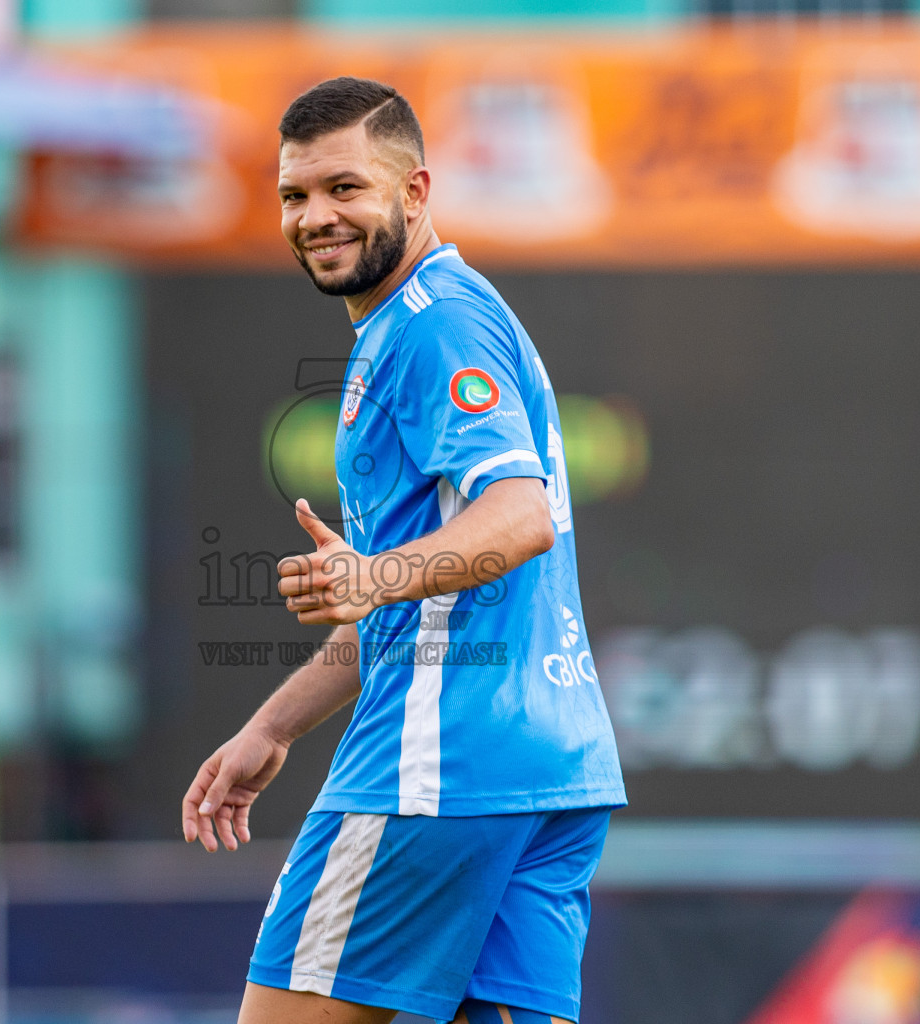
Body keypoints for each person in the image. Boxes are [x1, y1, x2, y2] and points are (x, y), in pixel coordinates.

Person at [181, 76, 625, 1024]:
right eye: (295, 195)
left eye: (346, 187)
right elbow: (421, 597)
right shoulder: (441, 316)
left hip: (437, 768)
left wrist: (370, 574)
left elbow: (520, 516)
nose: (315, 217)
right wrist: (275, 727)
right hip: (551, 770)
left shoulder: (431, 326)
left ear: (416, 193)